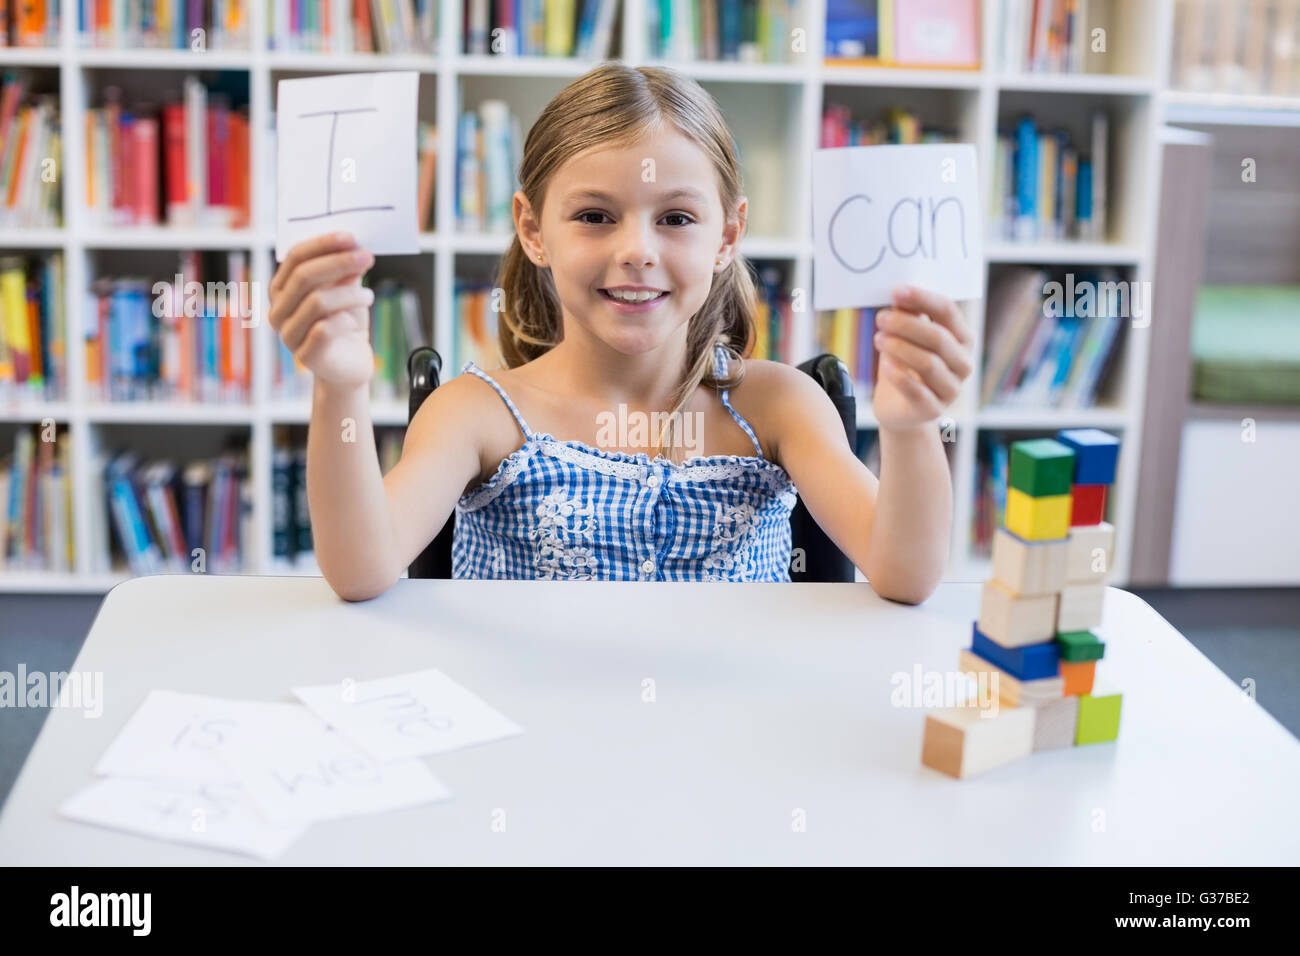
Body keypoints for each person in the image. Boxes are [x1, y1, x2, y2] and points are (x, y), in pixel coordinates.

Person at [268, 63, 974, 601]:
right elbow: (361, 570)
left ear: (727, 235)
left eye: (676, 218)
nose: (637, 250)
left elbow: (905, 574)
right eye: (596, 216)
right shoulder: (477, 413)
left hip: (727, 748)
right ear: (532, 229)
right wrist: (339, 387)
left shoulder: (779, 407)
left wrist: (912, 429)